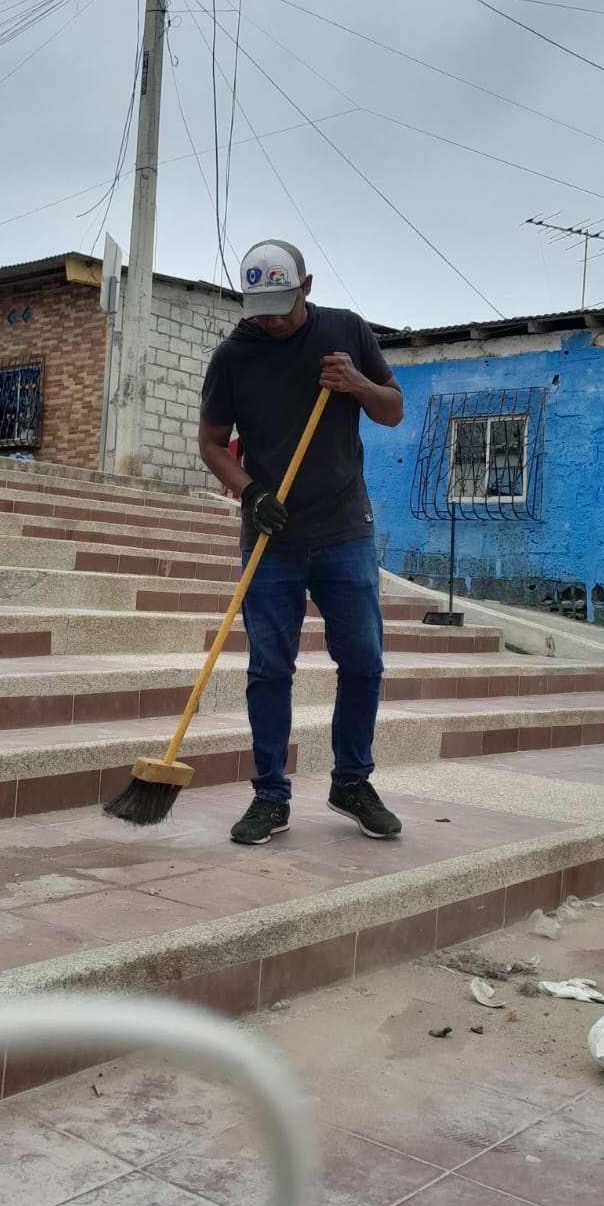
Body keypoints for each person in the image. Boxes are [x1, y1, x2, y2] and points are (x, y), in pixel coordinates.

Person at [198, 239, 405, 845]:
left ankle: (352, 783)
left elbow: (392, 409)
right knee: (269, 668)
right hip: (271, 534)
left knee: (362, 660)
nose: (272, 320)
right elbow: (211, 443)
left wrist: (356, 383)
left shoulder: (347, 332)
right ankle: (270, 795)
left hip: (344, 529)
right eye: (260, 309)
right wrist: (249, 493)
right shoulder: (234, 355)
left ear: (306, 287)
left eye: (282, 307)